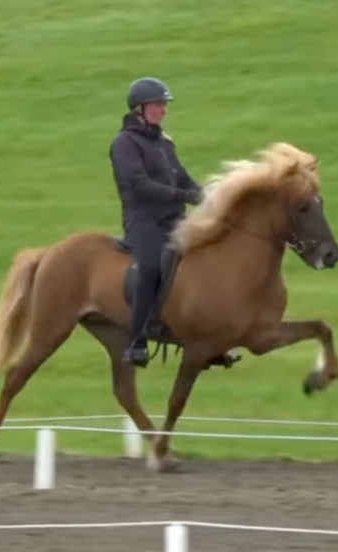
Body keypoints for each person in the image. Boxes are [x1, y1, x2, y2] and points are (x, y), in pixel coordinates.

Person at [109, 77, 205, 367]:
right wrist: (183, 194)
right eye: (158, 105)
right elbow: (139, 184)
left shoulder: (163, 142)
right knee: (151, 266)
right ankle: (137, 339)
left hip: (174, 219)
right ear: (139, 109)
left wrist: (209, 196)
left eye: (164, 105)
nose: (163, 110)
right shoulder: (124, 143)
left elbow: (182, 176)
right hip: (143, 220)